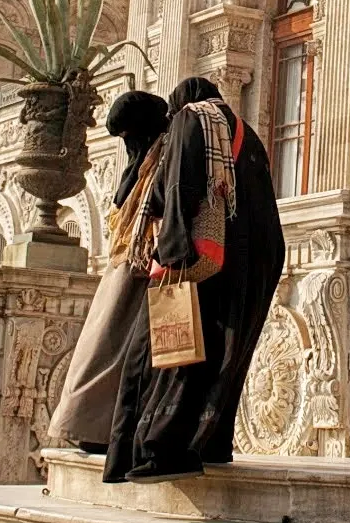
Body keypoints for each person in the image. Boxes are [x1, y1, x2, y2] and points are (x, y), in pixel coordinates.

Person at [104, 76, 285, 482]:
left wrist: (169, 252)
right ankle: (208, 443)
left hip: (200, 258)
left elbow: (179, 183)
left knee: (162, 352)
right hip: (255, 260)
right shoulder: (246, 133)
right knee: (221, 353)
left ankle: (154, 451)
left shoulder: (191, 118)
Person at [47, 90, 168, 456]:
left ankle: (93, 427)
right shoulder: (154, 160)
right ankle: (96, 428)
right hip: (135, 273)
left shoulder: (141, 165)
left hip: (125, 272)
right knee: (113, 354)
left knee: (106, 352)